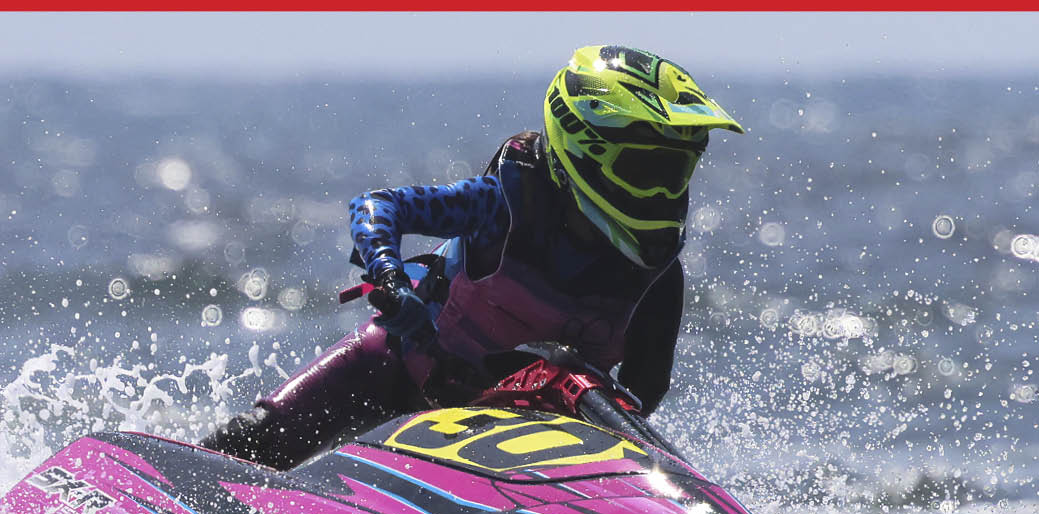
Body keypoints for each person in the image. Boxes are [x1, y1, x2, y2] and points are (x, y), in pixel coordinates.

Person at [201, 45, 743, 469]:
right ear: (584, 148)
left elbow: (643, 395)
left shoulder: (658, 279)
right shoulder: (500, 205)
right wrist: (390, 278)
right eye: (647, 171)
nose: (663, 194)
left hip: (515, 449)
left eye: (676, 173)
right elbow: (378, 206)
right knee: (251, 443)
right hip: (394, 373)